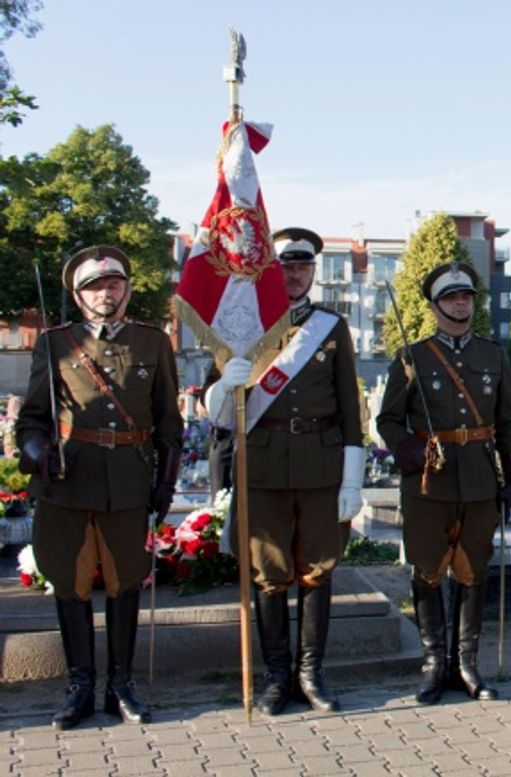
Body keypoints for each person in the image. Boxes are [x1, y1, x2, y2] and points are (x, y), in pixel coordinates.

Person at [16, 246, 183, 730]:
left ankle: (120, 685)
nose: (104, 294)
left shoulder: (153, 343)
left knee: (124, 581)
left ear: (126, 289)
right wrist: (34, 452)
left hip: (128, 482)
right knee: (69, 585)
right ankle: (79, 687)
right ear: (77, 294)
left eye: (113, 284)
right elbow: (31, 419)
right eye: (94, 287)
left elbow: (169, 422)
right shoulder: (54, 343)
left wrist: (166, 484)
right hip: (67, 480)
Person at [204, 227, 364, 716]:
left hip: (321, 463)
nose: (294, 275)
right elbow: (214, 413)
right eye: (285, 266)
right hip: (264, 464)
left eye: (302, 266)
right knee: (269, 574)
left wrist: (353, 477)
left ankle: (310, 674)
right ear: (269, 270)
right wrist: (226, 384)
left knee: (318, 570)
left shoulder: (331, 327)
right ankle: (277, 676)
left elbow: (349, 408)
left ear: (313, 271)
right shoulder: (241, 326)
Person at [377, 261, 511, 705]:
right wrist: (408, 450)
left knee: (473, 571)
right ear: (435, 305)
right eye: (452, 298)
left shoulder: (493, 355)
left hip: (479, 478)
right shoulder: (412, 357)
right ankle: (433, 664)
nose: (461, 303)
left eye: (467, 297)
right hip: (429, 481)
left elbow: (509, 421)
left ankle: (467, 664)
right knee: (428, 570)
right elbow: (388, 420)